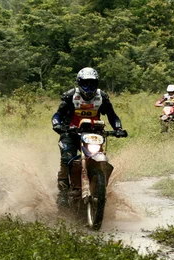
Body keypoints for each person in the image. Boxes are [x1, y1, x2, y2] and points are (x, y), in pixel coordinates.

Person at [51, 67, 125, 207]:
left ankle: (98, 187)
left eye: (92, 83)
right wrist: (57, 125)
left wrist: (118, 129)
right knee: (67, 158)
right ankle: (63, 193)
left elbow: (112, 116)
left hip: (94, 134)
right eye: (86, 83)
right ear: (80, 83)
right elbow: (58, 115)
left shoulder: (102, 97)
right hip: (71, 133)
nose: (89, 87)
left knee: (101, 158)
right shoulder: (71, 96)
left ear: (97, 83)